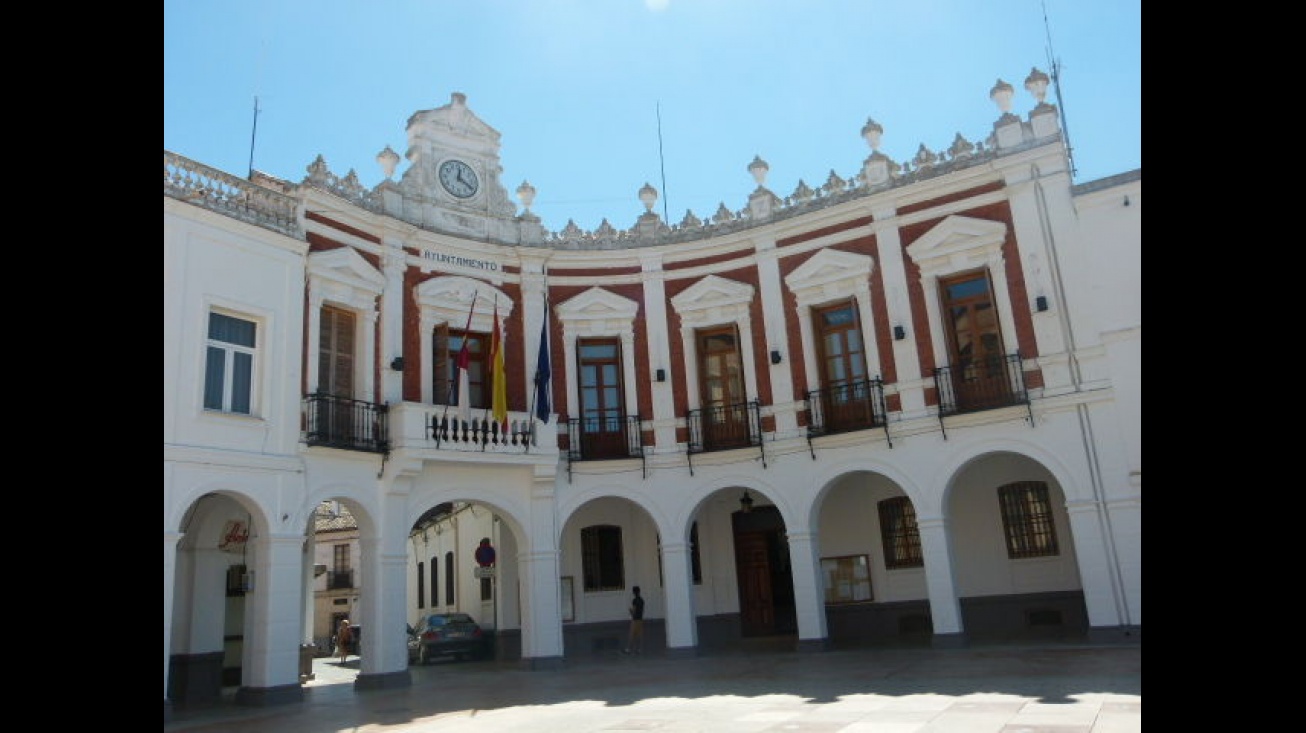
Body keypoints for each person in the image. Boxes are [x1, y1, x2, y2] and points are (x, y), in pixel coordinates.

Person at [622, 586, 644, 654]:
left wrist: (630, 610)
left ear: (634, 592)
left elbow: (634, 611)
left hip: (635, 620)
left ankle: (628, 649)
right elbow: (642, 610)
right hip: (640, 619)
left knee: (631, 635)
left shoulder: (634, 600)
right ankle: (639, 649)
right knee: (639, 635)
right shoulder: (642, 600)